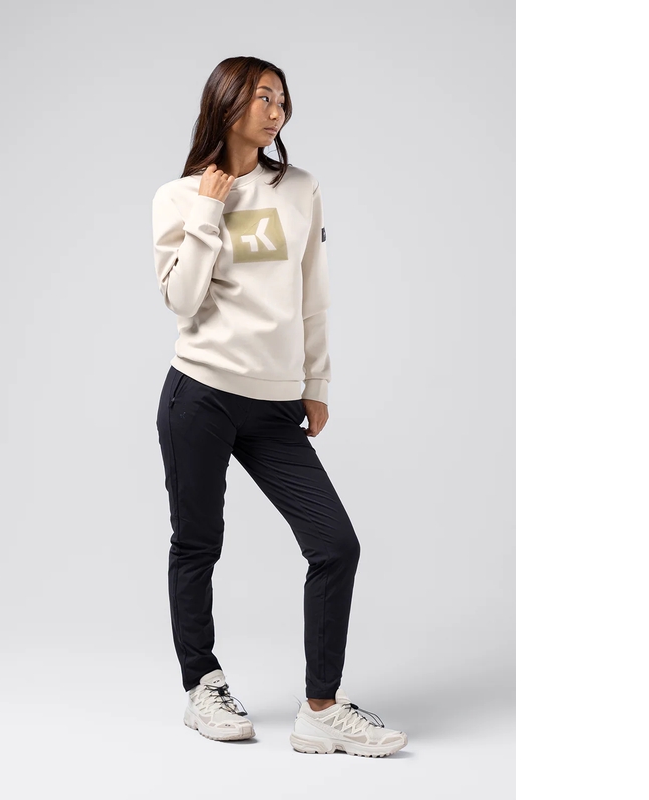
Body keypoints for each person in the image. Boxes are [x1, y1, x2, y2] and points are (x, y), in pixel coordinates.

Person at [152, 56, 407, 757]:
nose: (277, 111)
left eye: (283, 100)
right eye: (263, 97)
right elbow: (182, 300)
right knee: (197, 543)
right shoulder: (178, 197)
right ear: (226, 103)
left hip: (273, 405)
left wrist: (316, 383)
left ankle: (321, 708)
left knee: (335, 545)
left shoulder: (299, 188)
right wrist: (209, 210)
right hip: (200, 394)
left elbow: (313, 291)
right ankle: (202, 685)